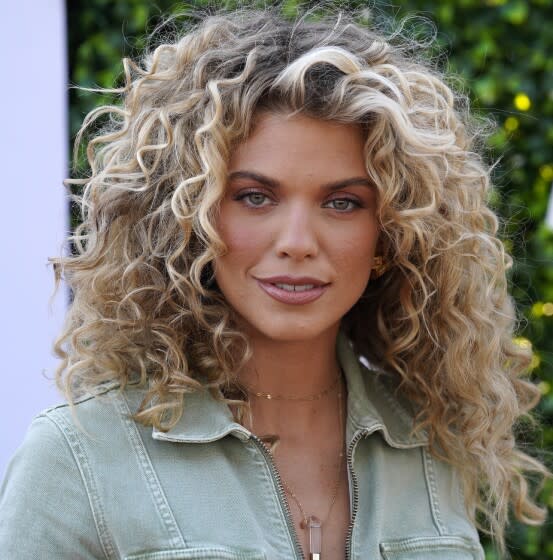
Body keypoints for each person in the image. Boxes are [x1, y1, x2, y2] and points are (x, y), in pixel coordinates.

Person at [0, 6, 548, 559]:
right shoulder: (79, 460)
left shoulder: (434, 447)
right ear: (186, 216)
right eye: (255, 197)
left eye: (342, 202)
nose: (297, 241)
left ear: (391, 233)